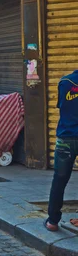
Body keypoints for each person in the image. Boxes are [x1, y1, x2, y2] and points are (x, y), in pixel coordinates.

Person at [45, 69, 78, 231]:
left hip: (66, 137)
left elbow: (62, 106)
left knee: (59, 179)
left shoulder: (65, 82)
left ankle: (52, 221)